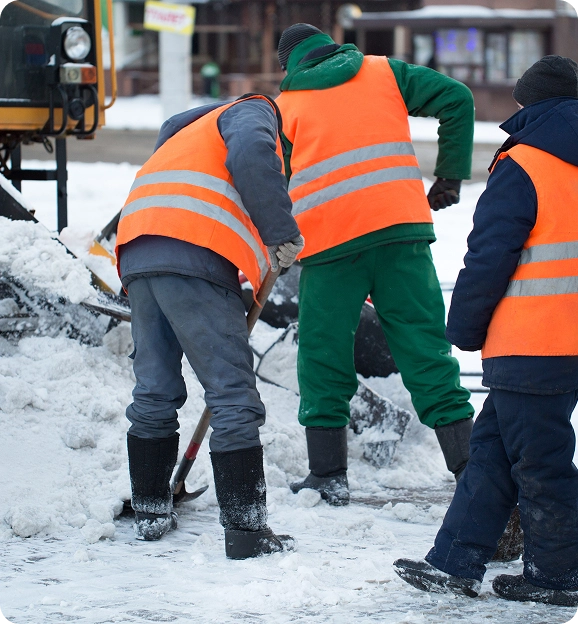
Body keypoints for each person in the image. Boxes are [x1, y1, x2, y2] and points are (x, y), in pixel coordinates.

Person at [394, 55, 578, 606]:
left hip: (534, 339)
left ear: (532, 103)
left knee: (541, 462)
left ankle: (558, 576)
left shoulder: (527, 161)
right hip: (563, 342)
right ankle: (453, 563)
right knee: (494, 451)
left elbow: (490, 254)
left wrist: (466, 325)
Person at [274, 24, 475, 505]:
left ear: (291, 65)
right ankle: (472, 473)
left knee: (322, 356)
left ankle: (327, 476)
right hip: (400, 234)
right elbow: (458, 98)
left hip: (329, 248)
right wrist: (448, 175)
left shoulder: (285, 108)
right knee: (426, 349)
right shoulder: (384, 72)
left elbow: (272, 186)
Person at [115, 94, 304, 559]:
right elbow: (251, 155)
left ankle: (151, 511)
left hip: (137, 248)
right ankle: (246, 532)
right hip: (194, 251)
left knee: (154, 389)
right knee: (232, 394)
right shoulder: (253, 109)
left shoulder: (184, 130)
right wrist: (281, 232)